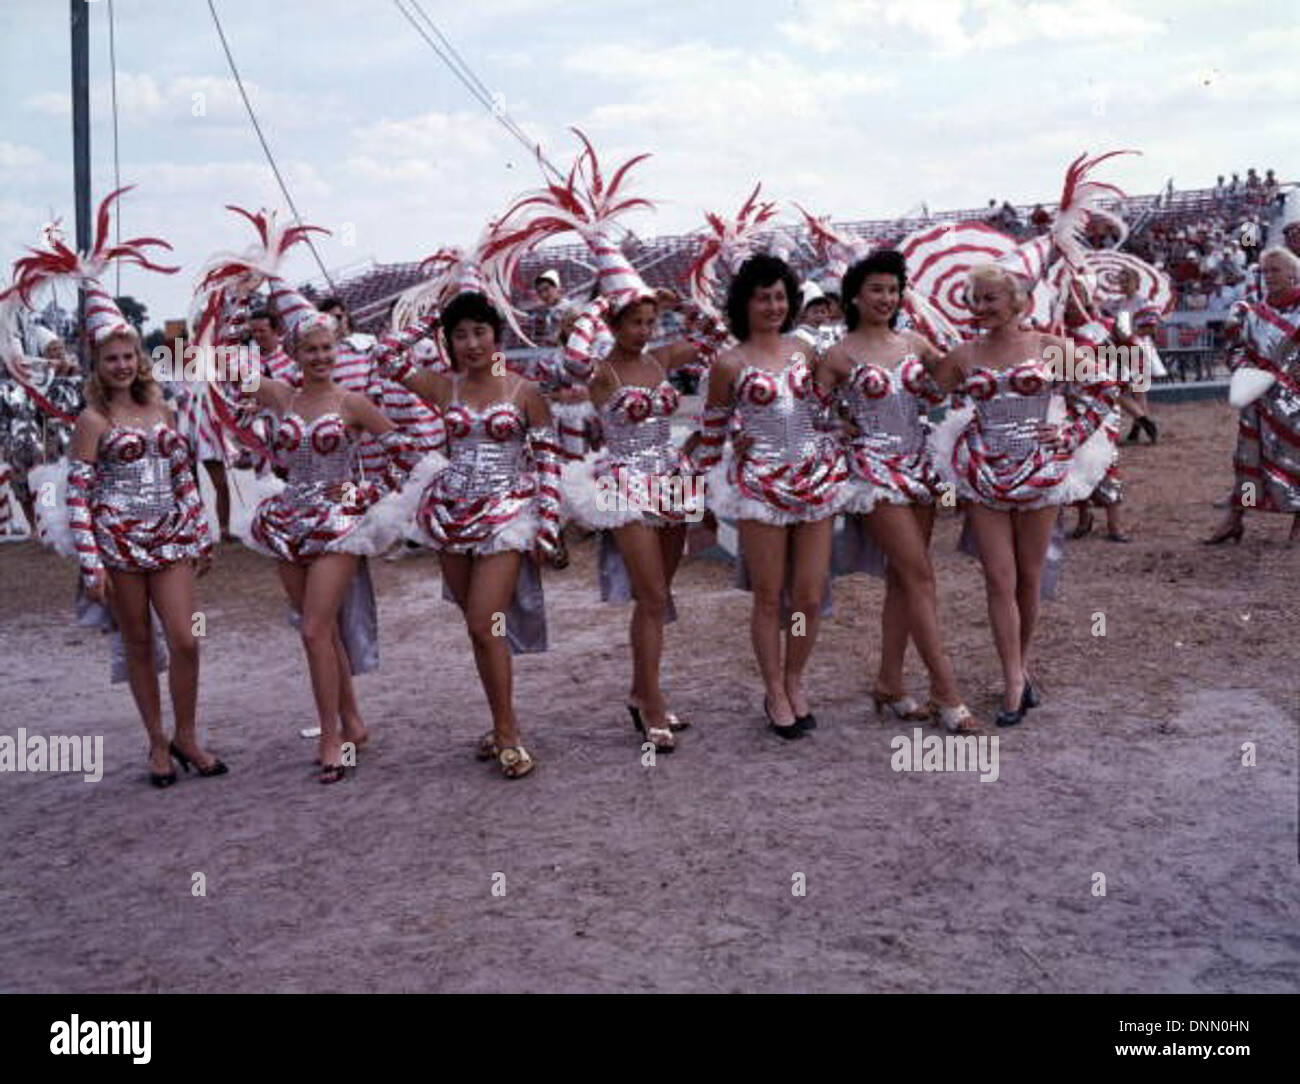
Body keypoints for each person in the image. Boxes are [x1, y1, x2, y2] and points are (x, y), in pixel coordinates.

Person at [379, 291, 563, 779]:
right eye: (459, 335)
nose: (471, 343)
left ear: (496, 336)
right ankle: (502, 723)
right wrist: (429, 321)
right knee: (481, 631)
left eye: (480, 331)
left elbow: (548, 462)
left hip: (507, 519)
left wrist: (547, 526)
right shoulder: (444, 388)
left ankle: (507, 734)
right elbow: (387, 359)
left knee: (486, 624)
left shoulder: (524, 391)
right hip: (451, 517)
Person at [932, 263, 1114, 727]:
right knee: (998, 578)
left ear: (1019, 303)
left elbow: (1104, 389)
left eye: (991, 298)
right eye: (976, 298)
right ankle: (1013, 676)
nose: (981, 307)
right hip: (983, 472)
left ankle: (1019, 670)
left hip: (1042, 470)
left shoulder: (1047, 347)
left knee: (1029, 578)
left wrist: (1071, 434)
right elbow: (920, 400)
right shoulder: (962, 355)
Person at [692, 254, 848, 738]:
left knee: (806, 595)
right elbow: (711, 434)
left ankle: (795, 676)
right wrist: (699, 500)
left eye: (781, 296)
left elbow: (820, 409)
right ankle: (773, 688)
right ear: (745, 302)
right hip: (760, 488)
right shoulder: (728, 363)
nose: (774, 305)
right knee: (766, 596)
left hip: (815, 480)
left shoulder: (805, 349)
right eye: (763, 297)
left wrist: (843, 422)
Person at [822, 250, 978, 732]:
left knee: (903, 581)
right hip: (872, 473)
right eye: (876, 289)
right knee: (920, 576)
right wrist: (838, 428)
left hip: (921, 468)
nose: (886, 298)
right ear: (854, 295)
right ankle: (947, 694)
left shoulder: (915, 342)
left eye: (893, 289)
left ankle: (890, 682)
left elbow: (951, 380)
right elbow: (811, 413)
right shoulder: (837, 353)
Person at [1203, 246, 1300, 546]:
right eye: (1265, 271)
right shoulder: (1248, 311)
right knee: (1248, 460)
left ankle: (1298, 522)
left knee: (1297, 459)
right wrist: (1247, 373)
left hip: (1294, 402)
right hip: (1257, 399)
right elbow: (1234, 350)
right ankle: (1236, 517)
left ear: (1293, 274)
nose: (1270, 276)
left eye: (1276, 270)